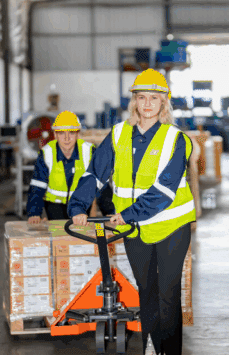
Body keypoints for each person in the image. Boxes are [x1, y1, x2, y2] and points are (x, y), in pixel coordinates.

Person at [68, 69, 196, 355]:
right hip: (135, 229)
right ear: (134, 102)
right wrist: (78, 206)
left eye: (154, 98)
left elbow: (164, 191)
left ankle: (170, 351)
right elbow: (95, 174)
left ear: (164, 103)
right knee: (146, 291)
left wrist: (128, 214)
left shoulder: (176, 139)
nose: (147, 104)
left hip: (171, 226)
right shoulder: (118, 134)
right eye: (141, 97)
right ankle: (151, 347)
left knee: (168, 292)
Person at [26, 111, 95, 224]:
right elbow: (37, 186)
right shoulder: (46, 153)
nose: (66, 138)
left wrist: (109, 210)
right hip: (54, 207)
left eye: (71, 133)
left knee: (81, 237)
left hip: (81, 207)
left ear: (78, 134)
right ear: (55, 135)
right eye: (62, 133)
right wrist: (34, 213)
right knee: (59, 237)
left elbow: (101, 184)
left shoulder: (89, 152)